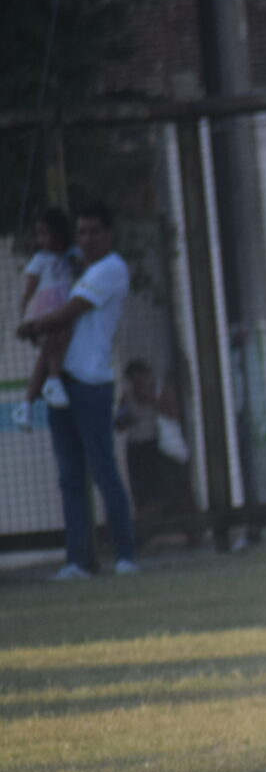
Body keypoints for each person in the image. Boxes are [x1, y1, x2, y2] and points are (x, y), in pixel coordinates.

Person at [16, 204, 137, 579]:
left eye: (94, 232)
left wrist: (31, 325)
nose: (86, 239)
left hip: (90, 382)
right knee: (69, 477)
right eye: (81, 232)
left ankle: (125, 556)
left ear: (109, 234)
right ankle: (77, 561)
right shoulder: (75, 267)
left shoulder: (109, 269)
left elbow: (69, 312)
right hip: (62, 381)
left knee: (103, 471)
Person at [116, 359, 195, 543]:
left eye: (140, 378)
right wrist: (126, 419)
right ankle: (145, 537)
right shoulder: (127, 396)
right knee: (143, 495)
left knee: (172, 493)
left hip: (160, 447)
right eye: (133, 379)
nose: (138, 383)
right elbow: (119, 423)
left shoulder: (161, 388)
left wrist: (151, 400)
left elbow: (174, 413)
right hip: (137, 447)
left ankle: (191, 533)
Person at [16, 207, 78, 427]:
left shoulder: (72, 256)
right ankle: (53, 380)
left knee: (45, 355)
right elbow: (29, 290)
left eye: (45, 233)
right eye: (38, 234)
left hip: (65, 306)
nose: (41, 239)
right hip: (48, 309)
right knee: (57, 338)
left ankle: (26, 405)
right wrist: (25, 318)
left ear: (59, 232)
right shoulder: (40, 259)